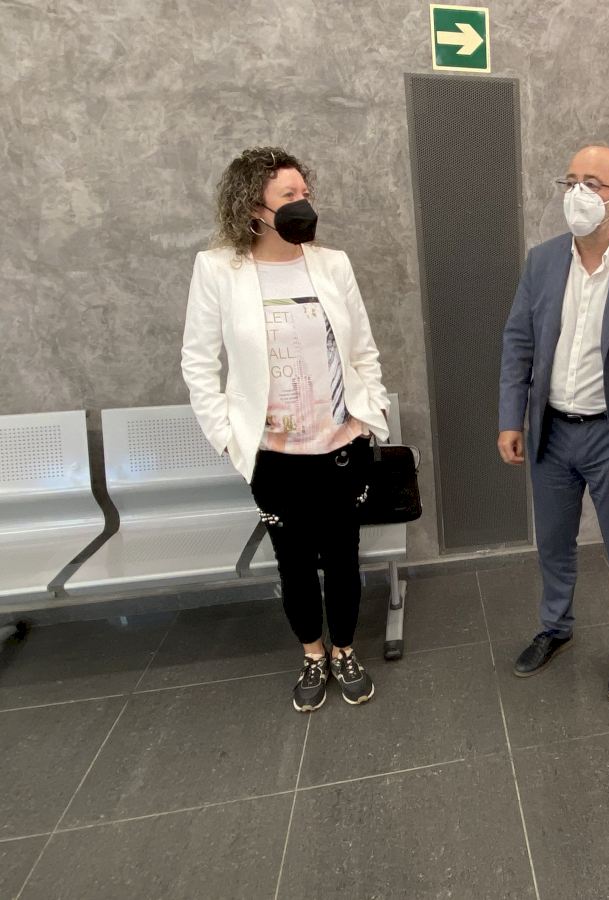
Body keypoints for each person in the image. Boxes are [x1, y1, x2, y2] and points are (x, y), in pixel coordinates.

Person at [181, 146, 391, 713]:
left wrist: (369, 414)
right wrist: (229, 436)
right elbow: (198, 361)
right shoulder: (219, 270)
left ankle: (345, 650)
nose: (304, 204)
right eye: (288, 196)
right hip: (272, 455)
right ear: (254, 207)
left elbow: (362, 349)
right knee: (293, 562)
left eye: (305, 193)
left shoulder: (332, 264)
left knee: (343, 557)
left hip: (340, 445)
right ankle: (313, 654)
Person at [498, 144, 609, 698]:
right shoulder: (543, 260)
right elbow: (519, 341)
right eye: (570, 181)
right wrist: (511, 418)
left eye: (591, 183)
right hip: (551, 431)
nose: (577, 193)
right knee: (553, 543)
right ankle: (555, 627)